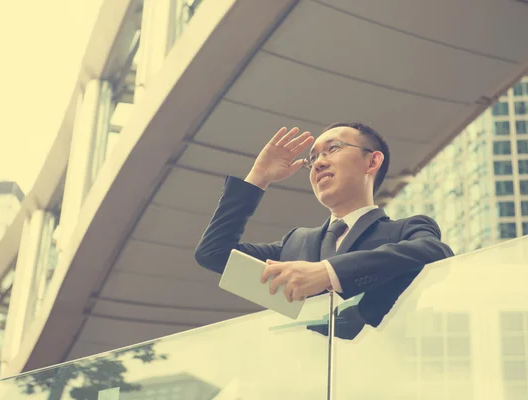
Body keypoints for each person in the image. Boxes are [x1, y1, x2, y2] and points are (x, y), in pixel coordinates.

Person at [195, 123, 454, 328]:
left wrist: (328, 272)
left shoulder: (404, 231)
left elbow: (436, 252)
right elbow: (213, 254)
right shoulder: (295, 242)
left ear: (372, 162)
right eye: (313, 157)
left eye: (333, 148)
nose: (318, 162)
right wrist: (258, 177)